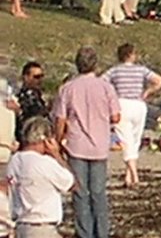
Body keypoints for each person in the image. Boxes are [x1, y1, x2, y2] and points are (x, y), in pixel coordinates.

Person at [52, 46, 120, 238]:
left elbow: (60, 119)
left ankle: (85, 233)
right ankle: (102, 232)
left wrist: (58, 141)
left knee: (80, 193)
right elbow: (116, 116)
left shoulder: (68, 88)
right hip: (99, 145)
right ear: (95, 65)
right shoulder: (106, 87)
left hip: (76, 144)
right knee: (98, 193)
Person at [103, 43, 161, 187]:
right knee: (134, 140)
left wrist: (111, 96)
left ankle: (133, 175)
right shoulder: (141, 70)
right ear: (131, 55)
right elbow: (159, 81)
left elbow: (102, 83)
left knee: (126, 140)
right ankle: (129, 176)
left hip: (122, 104)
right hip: (138, 105)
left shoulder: (115, 71)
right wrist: (147, 92)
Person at [4, 116, 75, 238]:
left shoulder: (14, 161)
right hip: (43, 226)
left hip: (21, 225)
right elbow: (72, 184)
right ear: (46, 139)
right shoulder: (45, 163)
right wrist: (57, 155)